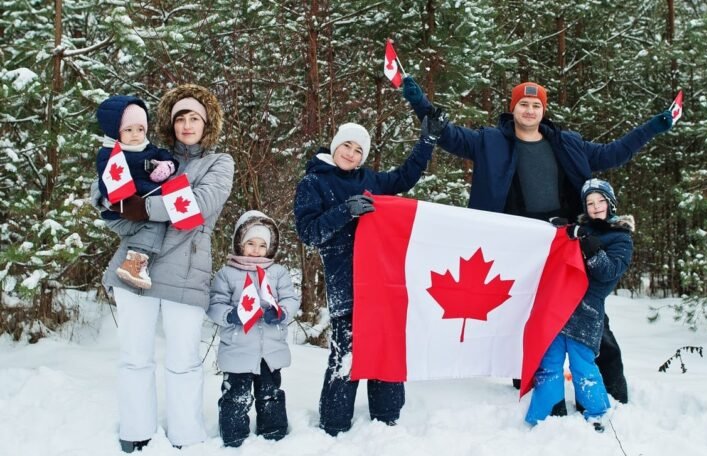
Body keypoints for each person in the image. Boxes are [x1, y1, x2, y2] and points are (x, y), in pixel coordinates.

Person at [402, 76, 672, 403]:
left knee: (586, 306)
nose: (529, 110)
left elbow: (613, 153)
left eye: (536, 105)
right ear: (512, 108)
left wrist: (654, 126)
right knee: (522, 310)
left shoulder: (567, 143)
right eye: (523, 104)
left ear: (543, 111)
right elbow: (449, 135)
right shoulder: (490, 141)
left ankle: (612, 388)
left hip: (565, 241)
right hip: (515, 246)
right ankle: (528, 382)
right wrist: (420, 103)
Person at [91, 84, 234, 452]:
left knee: (184, 361)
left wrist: (144, 207)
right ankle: (136, 432)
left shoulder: (219, 163)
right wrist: (108, 199)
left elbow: (197, 207)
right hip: (135, 267)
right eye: (180, 118)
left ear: (207, 124)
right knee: (134, 357)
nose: (187, 125)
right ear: (171, 124)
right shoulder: (149, 156)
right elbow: (113, 192)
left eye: (194, 118)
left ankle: (185, 436)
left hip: (186, 273)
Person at [293, 110, 447, 436]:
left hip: (380, 280)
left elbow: (405, 177)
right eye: (347, 145)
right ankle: (334, 424)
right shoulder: (313, 182)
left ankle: (387, 417)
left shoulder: (370, 181)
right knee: (346, 351)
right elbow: (309, 232)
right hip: (345, 281)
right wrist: (345, 210)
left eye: (359, 150)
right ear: (335, 146)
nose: (351, 153)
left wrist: (427, 141)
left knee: (384, 344)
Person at [525, 178, 634, 431]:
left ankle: (596, 412)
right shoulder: (579, 229)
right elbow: (559, 247)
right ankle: (548, 412)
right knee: (549, 361)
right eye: (590, 202)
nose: (595, 207)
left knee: (582, 364)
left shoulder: (620, 237)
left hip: (587, 311)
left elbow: (608, 274)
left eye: (600, 201)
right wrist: (557, 231)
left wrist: (594, 251)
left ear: (610, 203)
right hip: (559, 306)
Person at [207, 210, 299, 446]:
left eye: (261, 245)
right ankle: (234, 435)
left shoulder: (277, 273)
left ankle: (274, 433)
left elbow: (290, 299)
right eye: (250, 243)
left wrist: (281, 313)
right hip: (238, 347)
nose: (256, 250)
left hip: (269, 350)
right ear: (240, 243)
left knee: (270, 394)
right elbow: (214, 303)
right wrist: (231, 315)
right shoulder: (227, 274)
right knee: (236, 395)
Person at [96, 95, 177, 289]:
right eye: (129, 130)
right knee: (154, 225)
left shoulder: (147, 147)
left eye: (140, 129)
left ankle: (137, 261)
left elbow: (164, 154)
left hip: (143, 204)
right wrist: (129, 198)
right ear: (116, 132)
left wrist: (167, 165)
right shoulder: (110, 154)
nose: (135, 134)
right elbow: (107, 181)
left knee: (155, 223)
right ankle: (134, 264)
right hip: (120, 212)